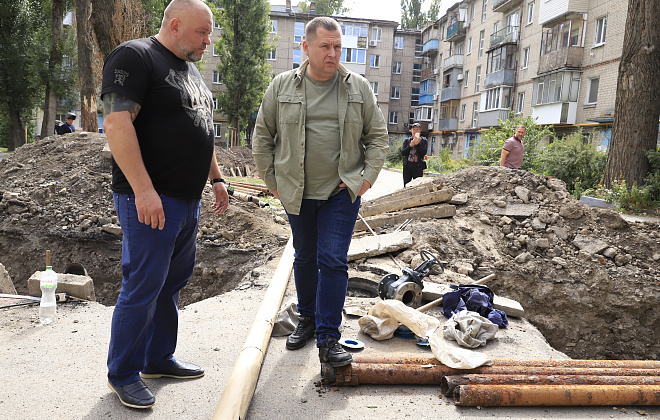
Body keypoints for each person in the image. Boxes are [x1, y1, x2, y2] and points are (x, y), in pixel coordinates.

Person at [100, 0, 229, 409]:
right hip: (151, 200)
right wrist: (143, 190)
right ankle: (123, 372)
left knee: (171, 284)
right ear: (175, 25)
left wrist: (217, 178)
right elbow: (117, 123)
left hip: (186, 201)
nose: (208, 41)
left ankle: (158, 358)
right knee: (143, 285)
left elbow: (200, 126)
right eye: (202, 32)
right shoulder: (135, 57)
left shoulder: (189, 70)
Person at [252, 17, 388, 368]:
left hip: (340, 193)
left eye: (338, 46)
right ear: (306, 47)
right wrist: (272, 182)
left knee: (332, 259)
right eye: (325, 46)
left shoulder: (358, 87)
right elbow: (262, 137)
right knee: (305, 257)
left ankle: (328, 337)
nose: (333, 53)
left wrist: (364, 180)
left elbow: (377, 138)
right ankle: (308, 319)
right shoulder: (281, 86)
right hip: (295, 193)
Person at [401, 122, 428, 186]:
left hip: (418, 167)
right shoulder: (407, 141)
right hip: (407, 167)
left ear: (420, 131)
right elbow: (403, 153)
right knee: (406, 186)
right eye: (414, 129)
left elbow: (423, 153)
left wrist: (418, 144)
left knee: (417, 186)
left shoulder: (424, 141)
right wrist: (410, 146)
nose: (415, 131)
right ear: (411, 131)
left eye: (417, 129)